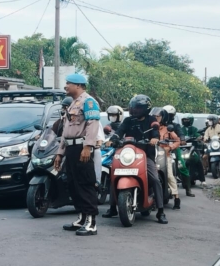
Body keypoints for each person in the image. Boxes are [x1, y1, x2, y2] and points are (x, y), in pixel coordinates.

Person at [104, 95, 168, 224]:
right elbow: (119, 132)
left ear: (145, 108)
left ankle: (161, 211)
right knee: (113, 175)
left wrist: (154, 139)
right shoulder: (128, 120)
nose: (135, 110)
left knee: (155, 179)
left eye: (138, 108)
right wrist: (112, 140)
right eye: (134, 107)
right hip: (128, 154)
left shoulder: (151, 120)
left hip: (145, 155)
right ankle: (112, 207)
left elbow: (155, 132)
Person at [54, 73, 101, 236]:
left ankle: (91, 223)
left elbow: (92, 126)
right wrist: (60, 153)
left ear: (79, 86)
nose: (65, 86)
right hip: (71, 149)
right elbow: (66, 131)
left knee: (85, 184)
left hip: (82, 149)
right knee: (73, 185)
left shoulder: (89, 102)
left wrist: (88, 146)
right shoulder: (73, 103)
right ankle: (81, 218)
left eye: (68, 83)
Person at [154, 108, 181, 209]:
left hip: (165, 156)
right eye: (154, 116)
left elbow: (177, 140)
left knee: (169, 175)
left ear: (163, 117)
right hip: (151, 155)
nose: (156, 118)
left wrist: (170, 147)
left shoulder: (168, 129)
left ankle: (176, 198)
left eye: (158, 116)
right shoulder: (150, 128)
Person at [180, 114, 206, 189]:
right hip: (183, 148)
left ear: (191, 121)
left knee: (198, 161)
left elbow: (197, 134)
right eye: (184, 120)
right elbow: (177, 135)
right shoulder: (181, 129)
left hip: (193, 148)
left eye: (187, 120)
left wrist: (199, 137)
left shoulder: (194, 129)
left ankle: (202, 180)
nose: (185, 121)